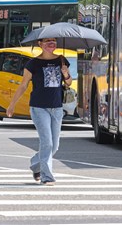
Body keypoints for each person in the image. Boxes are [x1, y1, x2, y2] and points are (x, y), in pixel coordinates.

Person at [6, 38, 72, 186]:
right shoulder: (32, 64)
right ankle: (47, 176)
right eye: (48, 41)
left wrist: (66, 73)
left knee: (54, 146)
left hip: (57, 108)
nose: (51, 43)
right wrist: (12, 104)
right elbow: (23, 85)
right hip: (39, 107)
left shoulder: (62, 60)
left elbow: (68, 82)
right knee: (47, 142)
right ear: (40, 44)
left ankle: (36, 164)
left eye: (54, 41)